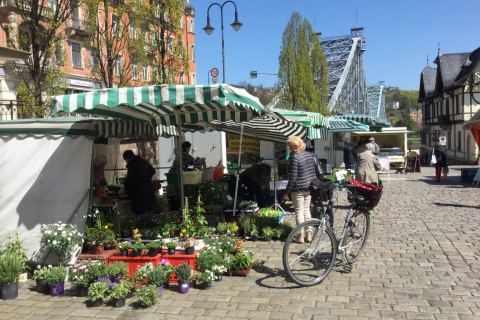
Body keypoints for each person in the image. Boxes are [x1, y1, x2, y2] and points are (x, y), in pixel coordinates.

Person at [282, 136, 318, 243]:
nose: (288, 147)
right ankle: (309, 234)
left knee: (299, 211)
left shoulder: (294, 158)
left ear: (293, 146)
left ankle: (300, 235)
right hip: (309, 187)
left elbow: (293, 178)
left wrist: (286, 193)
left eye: (289, 145)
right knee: (307, 211)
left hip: (298, 189)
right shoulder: (309, 155)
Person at [123, 150, 156, 216]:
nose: (126, 161)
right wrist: (146, 178)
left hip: (138, 192)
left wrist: (125, 189)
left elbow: (130, 180)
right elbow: (152, 171)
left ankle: (141, 224)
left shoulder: (132, 164)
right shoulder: (143, 161)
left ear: (127, 158)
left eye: (125, 160)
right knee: (149, 210)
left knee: (140, 212)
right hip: (147, 189)